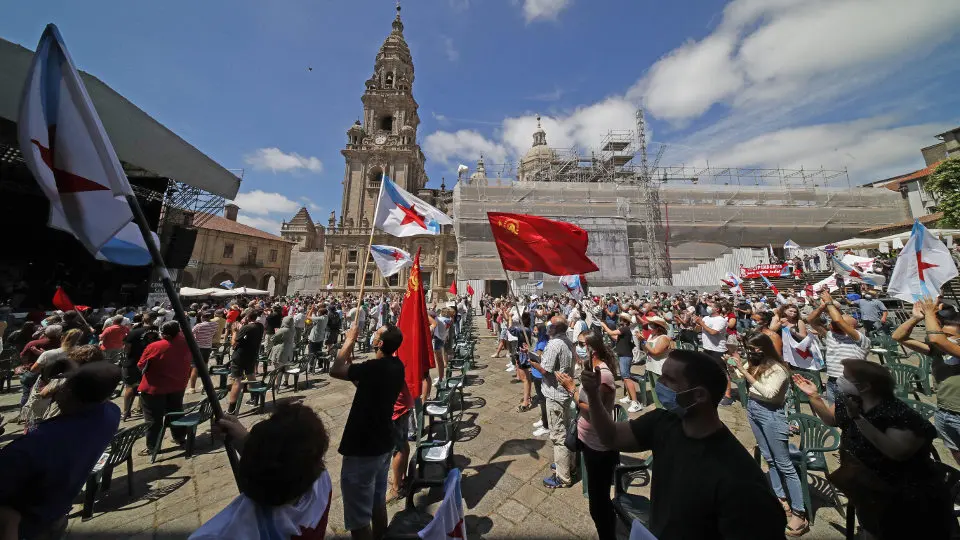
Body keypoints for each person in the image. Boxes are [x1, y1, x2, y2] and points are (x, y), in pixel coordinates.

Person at [582, 349, 787, 538]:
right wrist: (592, 394)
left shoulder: (740, 480)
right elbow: (611, 437)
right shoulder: (662, 422)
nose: (659, 383)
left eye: (668, 380)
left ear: (699, 395)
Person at [794, 359, 951, 539]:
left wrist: (859, 419)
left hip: (905, 502)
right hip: (868, 492)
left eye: (846, 377)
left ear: (865, 386)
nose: (840, 380)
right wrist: (813, 396)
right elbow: (831, 419)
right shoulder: (850, 401)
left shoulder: (898, 413)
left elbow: (896, 451)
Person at [0, 362, 122, 539]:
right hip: (57, 515)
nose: (57, 393)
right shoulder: (111, 414)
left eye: (63, 388)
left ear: (70, 395)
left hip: (24, 528)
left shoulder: (35, 444)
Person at [191, 404, 332, 539]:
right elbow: (289, 461)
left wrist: (254, 444)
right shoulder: (321, 485)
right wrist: (247, 440)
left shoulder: (222, 533)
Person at [331, 322, 405, 540]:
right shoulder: (397, 365)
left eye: (376, 334)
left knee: (358, 520)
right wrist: (356, 369)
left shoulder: (374, 368)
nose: (373, 334)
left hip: (363, 447)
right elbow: (366, 385)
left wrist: (349, 340)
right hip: (383, 443)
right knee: (377, 503)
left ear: (379, 343)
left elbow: (335, 370)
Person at [731, 333, 808, 536]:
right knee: (769, 458)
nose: (751, 352)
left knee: (784, 464)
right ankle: (781, 498)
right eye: (749, 348)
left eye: (754, 348)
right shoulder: (755, 363)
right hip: (754, 409)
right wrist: (734, 366)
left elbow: (769, 393)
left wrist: (743, 371)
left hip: (771, 414)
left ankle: (799, 512)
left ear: (764, 348)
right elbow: (738, 377)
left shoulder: (778, 368)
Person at [555, 329, 619, 540]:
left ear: (594, 348)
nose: (578, 348)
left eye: (582, 344)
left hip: (599, 444)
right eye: (578, 343)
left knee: (598, 503)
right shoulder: (589, 368)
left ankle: (608, 534)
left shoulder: (604, 374)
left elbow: (593, 408)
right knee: (595, 494)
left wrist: (571, 389)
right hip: (588, 438)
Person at [893, 298, 960, 465]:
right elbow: (898, 336)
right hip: (945, 411)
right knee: (956, 453)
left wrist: (930, 312)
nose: (945, 338)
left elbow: (937, 339)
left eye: (950, 336)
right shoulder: (938, 351)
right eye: (943, 333)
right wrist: (916, 318)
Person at [527, 315, 576, 489]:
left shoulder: (555, 343)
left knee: (558, 436)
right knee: (566, 430)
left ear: (555, 328)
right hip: (565, 392)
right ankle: (568, 465)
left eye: (549, 326)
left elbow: (546, 370)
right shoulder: (567, 341)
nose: (547, 328)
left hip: (556, 393)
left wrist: (534, 363)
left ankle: (563, 477)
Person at [805, 289, 871, 402]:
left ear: (851, 327)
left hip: (851, 381)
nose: (832, 322)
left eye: (836, 322)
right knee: (835, 413)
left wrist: (829, 303)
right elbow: (810, 320)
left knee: (853, 414)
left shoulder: (860, 339)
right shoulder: (830, 335)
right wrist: (822, 307)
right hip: (832, 381)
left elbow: (839, 320)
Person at [137, 321, 192, 455]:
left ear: (165, 334)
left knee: (153, 418)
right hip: (178, 385)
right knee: (176, 411)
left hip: (155, 388)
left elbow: (141, 365)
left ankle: (153, 446)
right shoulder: (187, 341)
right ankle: (179, 437)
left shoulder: (155, 346)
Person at [599, 314, 642, 413]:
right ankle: (629, 397)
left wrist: (604, 325)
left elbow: (611, 332)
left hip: (625, 356)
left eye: (621, 319)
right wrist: (606, 329)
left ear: (624, 321)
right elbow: (615, 337)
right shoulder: (624, 330)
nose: (619, 320)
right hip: (623, 356)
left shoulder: (625, 329)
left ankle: (635, 403)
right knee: (624, 377)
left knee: (626, 378)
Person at [696, 305, 734, 406]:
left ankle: (727, 395)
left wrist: (701, 323)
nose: (708, 308)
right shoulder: (706, 318)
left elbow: (713, 332)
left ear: (717, 309)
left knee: (722, 372)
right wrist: (697, 323)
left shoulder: (721, 320)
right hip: (707, 348)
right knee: (708, 371)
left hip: (718, 350)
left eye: (711, 306)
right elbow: (698, 330)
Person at [227, 310, 265, 414]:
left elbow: (234, 343)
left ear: (248, 317)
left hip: (240, 356)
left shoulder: (246, 328)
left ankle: (231, 408)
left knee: (237, 381)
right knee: (251, 375)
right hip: (252, 355)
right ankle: (254, 398)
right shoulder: (260, 326)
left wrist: (234, 331)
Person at [188, 311, 218, 393]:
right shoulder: (215, 324)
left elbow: (190, 334)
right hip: (207, 347)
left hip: (198, 347)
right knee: (204, 366)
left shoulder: (198, 326)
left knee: (195, 367)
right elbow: (214, 334)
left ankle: (192, 388)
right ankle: (205, 385)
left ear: (202, 317)